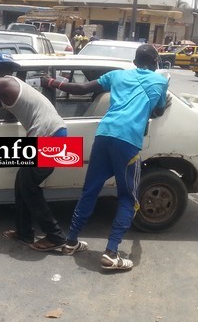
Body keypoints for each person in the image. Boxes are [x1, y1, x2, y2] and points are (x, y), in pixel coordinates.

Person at [40, 44, 170, 269]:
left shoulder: (117, 76)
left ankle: (71, 242)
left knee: (89, 190)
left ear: (135, 61)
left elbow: (80, 88)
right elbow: (157, 111)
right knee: (128, 198)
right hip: (127, 142)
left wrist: (52, 82)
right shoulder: (159, 81)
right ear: (155, 62)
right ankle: (111, 252)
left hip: (104, 135)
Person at [0, 53, 74, 252]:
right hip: (54, 133)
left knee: (29, 188)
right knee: (22, 184)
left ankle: (55, 236)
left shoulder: (1, 83)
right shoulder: (14, 84)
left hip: (47, 136)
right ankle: (24, 232)